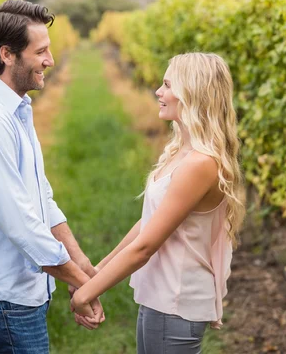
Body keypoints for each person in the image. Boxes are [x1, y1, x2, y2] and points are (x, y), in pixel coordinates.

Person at [0, 0, 104, 354]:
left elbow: (40, 200)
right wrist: (83, 285)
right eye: (41, 51)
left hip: (17, 295)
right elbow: (21, 223)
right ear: (7, 54)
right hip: (2, 299)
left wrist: (80, 264)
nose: (50, 60)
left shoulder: (16, 109)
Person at [71, 53, 245, 353]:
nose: (158, 92)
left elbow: (145, 247)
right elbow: (149, 222)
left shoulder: (200, 164)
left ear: (191, 92)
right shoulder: (182, 152)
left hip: (175, 302)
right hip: (161, 298)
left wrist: (85, 294)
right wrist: (97, 271)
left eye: (167, 85)